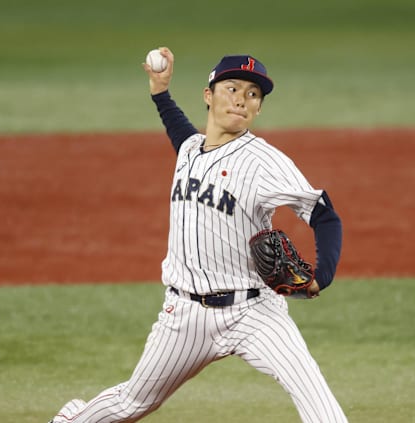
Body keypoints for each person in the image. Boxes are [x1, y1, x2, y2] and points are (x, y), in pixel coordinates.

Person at [49, 46, 347, 423]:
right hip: (185, 313)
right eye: (233, 89)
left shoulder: (264, 162)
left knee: (312, 391)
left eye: (253, 94)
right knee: (133, 403)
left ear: (259, 108)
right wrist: (160, 93)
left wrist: (322, 276)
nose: (242, 100)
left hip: (253, 311)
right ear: (209, 96)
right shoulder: (191, 149)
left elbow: (324, 215)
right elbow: (182, 135)